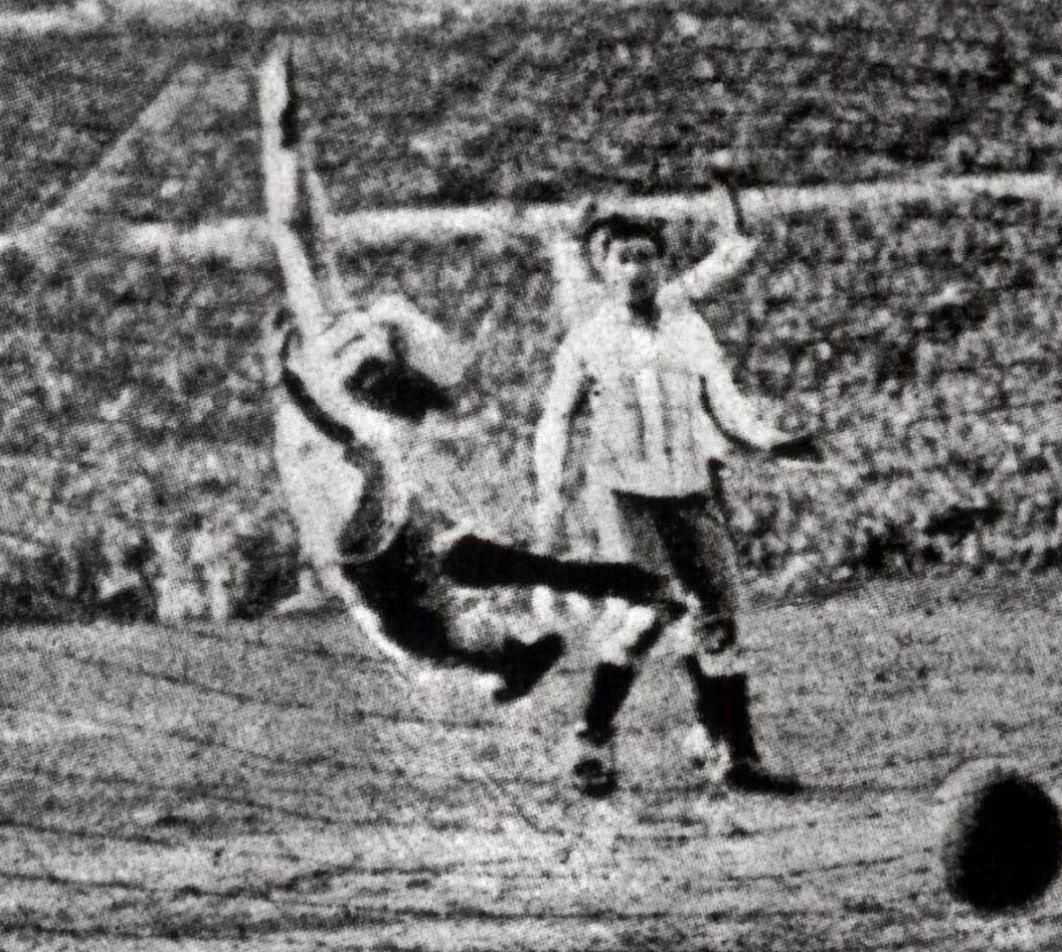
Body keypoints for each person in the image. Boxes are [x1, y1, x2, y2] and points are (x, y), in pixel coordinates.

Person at [265, 152, 681, 706]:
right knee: (463, 564)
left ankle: (567, 623)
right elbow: (302, 237)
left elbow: (301, 239)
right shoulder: (332, 360)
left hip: (368, 512)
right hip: (373, 500)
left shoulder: (416, 632)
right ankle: (594, 604)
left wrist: (296, 388)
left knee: (439, 592)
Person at [534, 211, 819, 799]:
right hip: (624, 497)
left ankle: (735, 754)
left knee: (717, 621)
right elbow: (556, 418)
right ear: (602, 267)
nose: (637, 269)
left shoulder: (689, 329)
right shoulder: (588, 340)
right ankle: (591, 737)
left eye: (647, 256)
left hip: (688, 491)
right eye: (623, 258)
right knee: (646, 615)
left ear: (662, 262)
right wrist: (551, 494)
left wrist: (771, 440)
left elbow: (724, 400)